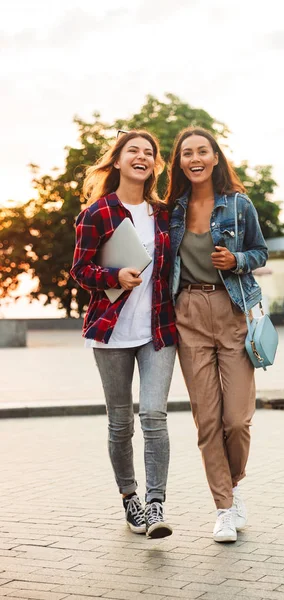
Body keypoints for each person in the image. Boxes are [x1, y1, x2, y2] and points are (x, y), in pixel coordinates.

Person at [70, 130, 177, 539]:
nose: (142, 156)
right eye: (133, 150)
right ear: (117, 161)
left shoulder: (164, 214)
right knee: (120, 423)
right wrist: (116, 275)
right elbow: (80, 271)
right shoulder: (97, 213)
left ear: (154, 164)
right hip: (110, 332)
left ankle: (155, 505)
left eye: (149, 152)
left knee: (153, 415)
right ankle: (129, 497)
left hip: (158, 329)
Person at [166, 127, 268, 543]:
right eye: (186, 152)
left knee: (237, 420)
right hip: (187, 312)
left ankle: (235, 483)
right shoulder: (171, 210)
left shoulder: (239, 205)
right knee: (207, 420)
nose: (194, 157)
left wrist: (237, 259)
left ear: (214, 157)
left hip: (231, 310)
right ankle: (224, 508)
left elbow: (260, 252)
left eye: (201, 151)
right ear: (180, 162)